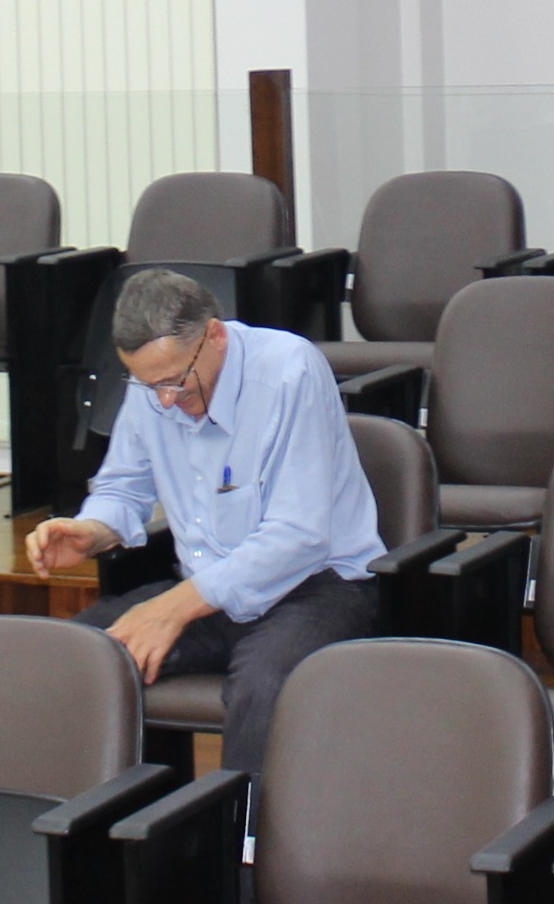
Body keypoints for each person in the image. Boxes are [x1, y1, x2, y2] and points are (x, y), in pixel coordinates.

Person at [26, 268, 386, 779]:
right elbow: (123, 487)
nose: (165, 399)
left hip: (318, 587)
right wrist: (92, 530)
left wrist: (172, 609)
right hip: (209, 591)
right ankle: (120, 820)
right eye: (150, 385)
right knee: (77, 659)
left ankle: (249, 830)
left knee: (264, 688)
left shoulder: (289, 370)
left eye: (176, 380)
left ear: (215, 336)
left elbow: (299, 536)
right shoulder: (154, 382)